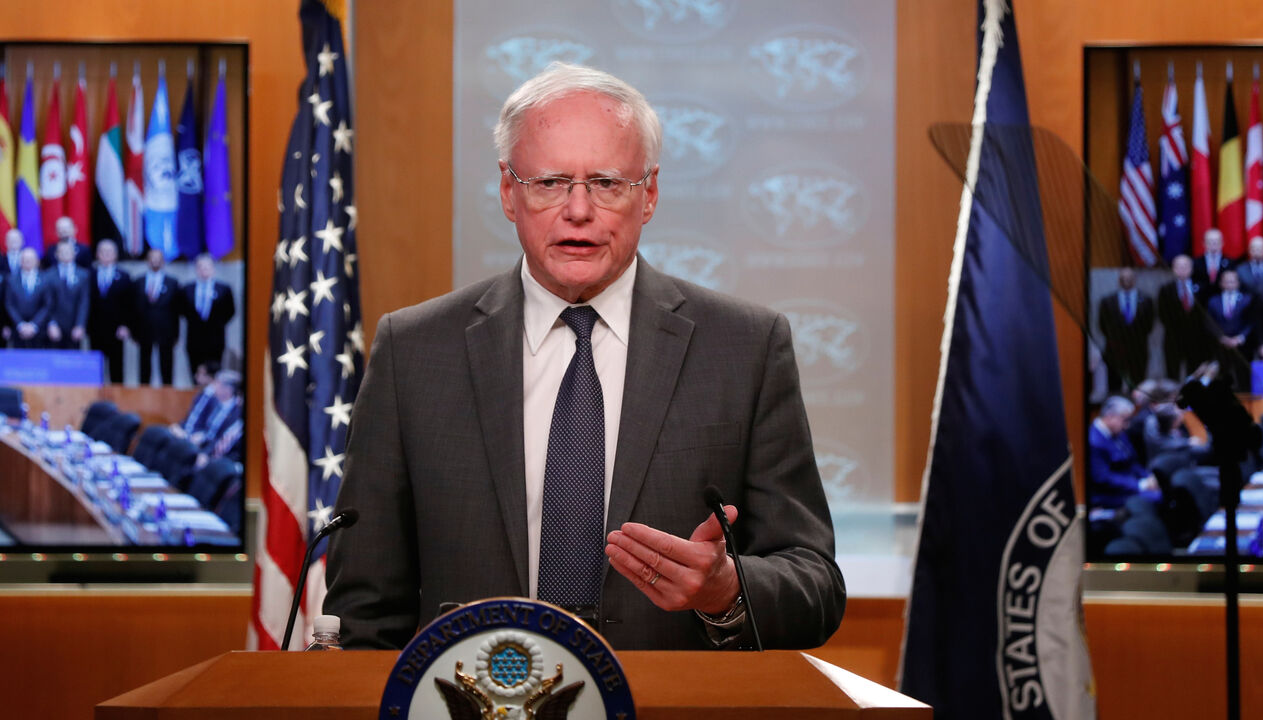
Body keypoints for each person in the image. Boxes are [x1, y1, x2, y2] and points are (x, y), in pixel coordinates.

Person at [324, 63, 844, 652]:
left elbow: (815, 584)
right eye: (549, 183)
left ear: (647, 194)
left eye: (606, 182)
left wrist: (727, 591)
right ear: (508, 192)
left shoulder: (745, 347)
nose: (578, 210)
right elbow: (362, 613)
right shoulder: (414, 351)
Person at [1088, 396, 1161, 509]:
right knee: (1158, 497)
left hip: (1129, 486)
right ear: (1110, 416)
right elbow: (1103, 478)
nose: (1127, 425)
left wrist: (1149, 478)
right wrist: (1140, 485)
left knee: (1165, 488)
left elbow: (1132, 462)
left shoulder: (1119, 433)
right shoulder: (1094, 441)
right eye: (1125, 420)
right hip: (1109, 494)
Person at [1097, 267, 1154, 393]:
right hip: (1115, 351)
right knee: (1114, 386)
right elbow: (1102, 326)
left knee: (1137, 387)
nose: (1126, 280)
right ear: (1118, 280)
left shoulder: (1147, 300)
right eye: (1123, 278)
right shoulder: (1107, 301)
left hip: (1139, 351)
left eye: (1129, 278)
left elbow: (1149, 326)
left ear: (1135, 280)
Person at [88, 240, 135, 383]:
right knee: (95, 369)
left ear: (115, 255)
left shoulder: (124, 276)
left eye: (109, 252)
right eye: (103, 252)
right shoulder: (90, 274)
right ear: (97, 254)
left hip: (116, 330)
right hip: (95, 330)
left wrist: (126, 326)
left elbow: (130, 305)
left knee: (117, 369)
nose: (106, 255)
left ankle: (117, 403)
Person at [180, 253, 235, 374]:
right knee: (195, 373)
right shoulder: (187, 289)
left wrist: (217, 324)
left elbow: (230, 311)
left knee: (214, 372)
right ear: (196, 269)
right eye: (200, 267)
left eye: (207, 267)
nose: (204, 270)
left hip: (215, 339)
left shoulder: (224, 289)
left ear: (213, 269)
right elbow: (182, 311)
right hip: (194, 339)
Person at [1157, 254, 1210, 379]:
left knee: (1194, 372)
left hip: (1196, 338)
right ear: (1173, 269)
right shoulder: (1165, 289)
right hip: (1173, 338)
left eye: (1185, 266)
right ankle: (1173, 397)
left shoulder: (1202, 288)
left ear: (1191, 268)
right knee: (1172, 372)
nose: (1182, 269)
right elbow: (1162, 314)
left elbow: (1206, 314)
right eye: (1178, 267)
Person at [133, 248, 181, 385]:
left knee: (166, 365)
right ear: (147, 261)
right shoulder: (138, 282)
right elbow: (133, 309)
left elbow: (176, 311)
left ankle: (168, 394)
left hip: (166, 330)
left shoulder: (173, 283)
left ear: (163, 261)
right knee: (144, 366)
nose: (155, 261)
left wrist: (176, 334)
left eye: (158, 258)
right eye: (152, 258)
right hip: (144, 330)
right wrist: (134, 332)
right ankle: (143, 394)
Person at [1205, 269, 1254, 389]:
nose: (1230, 284)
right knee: (1221, 379)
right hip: (1221, 346)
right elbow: (1209, 323)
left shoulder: (1248, 300)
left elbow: (1252, 322)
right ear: (1221, 283)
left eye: (1232, 281)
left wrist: (1240, 338)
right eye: (1227, 281)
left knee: (1244, 379)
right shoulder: (1213, 301)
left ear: (1238, 283)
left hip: (1243, 346)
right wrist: (1221, 338)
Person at [43, 240, 89, 349]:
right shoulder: (48, 275)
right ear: (56, 254)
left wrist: (80, 325)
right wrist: (51, 323)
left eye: (68, 251)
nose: (65, 254)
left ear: (74, 253)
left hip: (74, 328)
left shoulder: (83, 275)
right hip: (54, 329)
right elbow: (46, 302)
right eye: (62, 252)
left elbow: (84, 302)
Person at [194, 370, 244, 467]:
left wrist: (207, 455)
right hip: (209, 449)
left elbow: (224, 442)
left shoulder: (236, 413)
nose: (213, 388)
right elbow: (211, 433)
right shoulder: (215, 405)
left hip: (227, 460)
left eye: (217, 384)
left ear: (228, 389)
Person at [4, 248, 52, 348]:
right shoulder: (11, 279)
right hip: (17, 331)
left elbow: (47, 305)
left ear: (37, 261)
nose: (27, 262)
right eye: (25, 259)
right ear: (20, 261)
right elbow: (9, 304)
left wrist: (34, 326)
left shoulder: (46, 279)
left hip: (39, 331)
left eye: (30, 259)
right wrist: (20, 325)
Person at [1192, 228, 1230, 303]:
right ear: (1204, 243)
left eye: (1216, 241)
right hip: (1201, 301)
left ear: (1222, 243)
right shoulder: (1195, 262)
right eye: (1210, 241)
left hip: (1222, 303)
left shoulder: (1230, 262)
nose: (1213, 243)